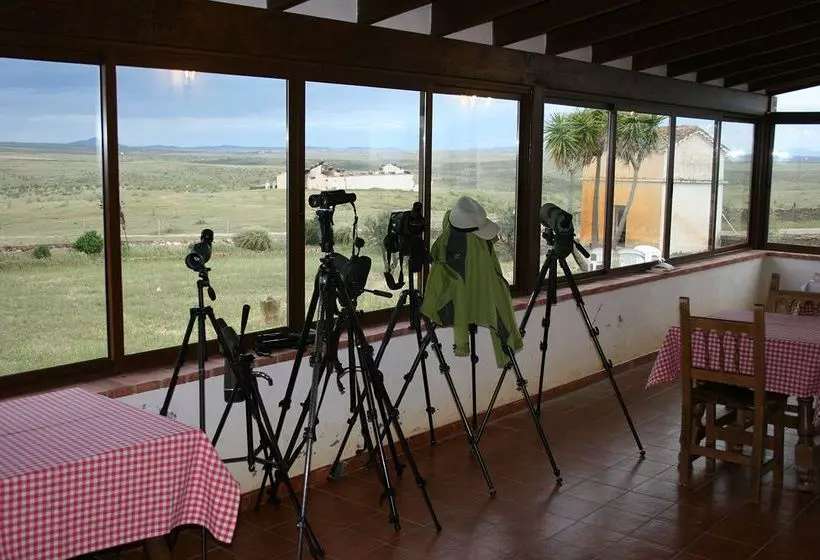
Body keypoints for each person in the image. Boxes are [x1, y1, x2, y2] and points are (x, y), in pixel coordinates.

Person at [421, 196, 522, 367]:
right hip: (482, 300)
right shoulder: (477, 246)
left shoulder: (448, 241)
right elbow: (493, 281)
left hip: (453, 302)